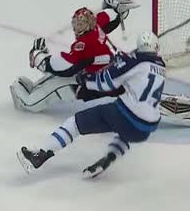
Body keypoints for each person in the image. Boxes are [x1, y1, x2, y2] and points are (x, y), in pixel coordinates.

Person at [17, 31, 165, 178]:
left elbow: (106, 83)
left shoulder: (136, 61)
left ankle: (40, 153)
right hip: (146, 129)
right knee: (126, 133)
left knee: (75, 123)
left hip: (125, 115)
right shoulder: (161, 67)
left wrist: (87, 79)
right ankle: (109, 158)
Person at [9, 0, 139, 112]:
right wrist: (116, 9)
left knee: (30, 103)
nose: (77, 28)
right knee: (58, 76)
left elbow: (66, 67)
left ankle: (20, 89)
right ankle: (32, 87)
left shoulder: (85, 43)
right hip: (111, 72)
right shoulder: (95, 26)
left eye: (81, 24)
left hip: (95, 85)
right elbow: (109, 16)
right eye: (76, 24)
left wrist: (39, 57)